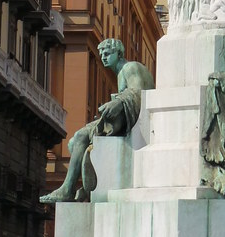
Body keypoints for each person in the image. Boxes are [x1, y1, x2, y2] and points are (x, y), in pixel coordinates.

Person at [40, 38, 154, 203]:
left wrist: (118, 103)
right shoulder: (121, 72)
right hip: (125, 117)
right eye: (101, 55)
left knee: (81, 136)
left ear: (119, 54)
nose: (103, 58)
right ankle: (87, 188)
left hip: (134, 118)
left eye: (107, 54)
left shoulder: (131, 68)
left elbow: (139, 92)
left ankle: (68, 189)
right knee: (73, 143)